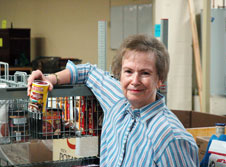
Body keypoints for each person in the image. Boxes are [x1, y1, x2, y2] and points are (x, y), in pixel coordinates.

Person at [27, 34, 199, 167]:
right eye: (128, 71)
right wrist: (50, 79)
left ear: (160, 80)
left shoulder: (170, 136)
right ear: (120, 74)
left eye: (145, 73)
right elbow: (88, 71)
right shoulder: (116, 98)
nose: (135, 80)